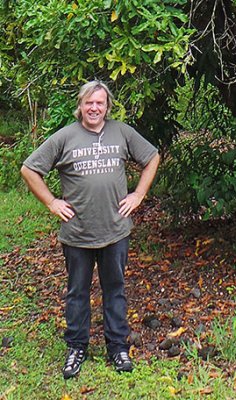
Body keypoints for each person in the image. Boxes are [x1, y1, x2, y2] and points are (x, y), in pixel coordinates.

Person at [21, 80, 160, 378]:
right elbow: (29, 169)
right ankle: (76, 347)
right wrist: (51, 202)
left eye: (99, 103)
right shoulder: (65, 137)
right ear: (81, 106)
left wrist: (138, 194)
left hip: (115, 230)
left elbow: (152, 157)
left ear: (107, 106)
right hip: (77, 233)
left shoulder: (121, 132)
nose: (94, 108)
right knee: (77, 293)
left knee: (115, 290)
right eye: (89, 103)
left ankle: (117, 348)